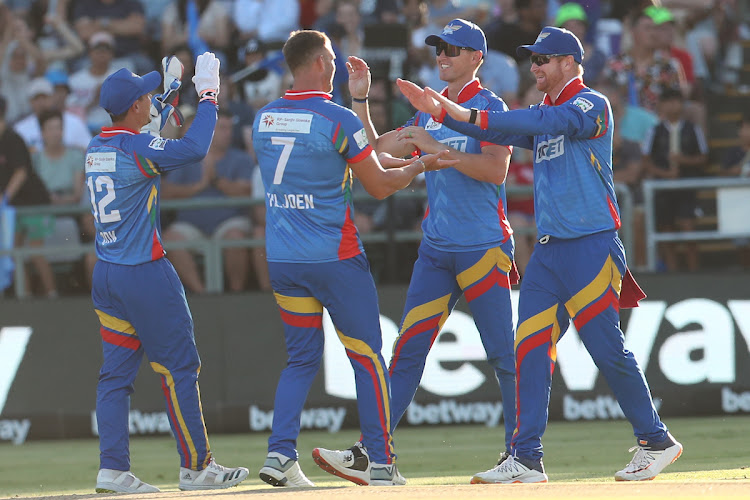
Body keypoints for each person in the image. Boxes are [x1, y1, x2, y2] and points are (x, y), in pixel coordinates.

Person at [396, 26, 683, 483]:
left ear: (569, 62)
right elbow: (517, 126)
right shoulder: (544, 110)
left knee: (606, 349)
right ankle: (526, 457)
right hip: (550, 251)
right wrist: (445, 115)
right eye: (532, 61)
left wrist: (452, 111)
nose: (535, 68)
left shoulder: (591, 104)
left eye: (543, 60)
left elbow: (538, 125)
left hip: (590, 243)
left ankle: (656, 440)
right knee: (528, 348)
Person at [312, 18, 519, 484]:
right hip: (438, 250)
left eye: (452, 49)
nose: (442, 56)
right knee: (407, 351)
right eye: (439, 49)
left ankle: (523, 456)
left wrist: (434, 147)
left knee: (504, 356)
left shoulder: (489, 107)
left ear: (475, 58)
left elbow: (495, 171)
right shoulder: (429, 110)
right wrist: (361, 99)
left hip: (483, 247)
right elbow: (378, 153)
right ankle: (375, 456)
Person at [252, 29, 455, 488]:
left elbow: (349, 156)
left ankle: (280, 456)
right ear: (322, 63)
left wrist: (359, 103)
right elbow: (379, 184)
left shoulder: (264, 118)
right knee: (366, 356)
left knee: (300, 361)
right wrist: (421, 165)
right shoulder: (335, 119)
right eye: (332, 56)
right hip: (335, 258)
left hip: (283, 258)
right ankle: (380, 461)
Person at [86, 53, 249, 493]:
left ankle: (112, 469)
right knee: (180, 368)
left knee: (115, 377)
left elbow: (149, 134)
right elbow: (191, 148)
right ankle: (197, 467)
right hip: (145, 273)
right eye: (146, 94)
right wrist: (209, 95)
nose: (149, 98)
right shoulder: (136, 147)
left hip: (108, 273)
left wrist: (171, 95)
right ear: (136, 105)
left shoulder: (98, 145)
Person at [161, 109, 254, 293]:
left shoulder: (241, 159)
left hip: (229, 223)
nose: (228, 133)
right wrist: (198, 186)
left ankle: (236, 294)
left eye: (229, 128)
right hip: (190, 225)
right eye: (222, 128)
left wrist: (216, 180)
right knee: (171, 239)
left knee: (235, 237)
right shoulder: (187, 158)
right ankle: (202, 293)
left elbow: (246, 192)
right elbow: (167, 192)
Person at [641, 87, 708, 272]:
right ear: (661, 105)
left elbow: (703, 157)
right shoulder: (654, 131)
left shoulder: (693, 129)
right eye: (668, 101)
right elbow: (645, 162)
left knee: (689, 233)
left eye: (677, 101)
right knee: (666, 233)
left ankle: (695, 274)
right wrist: (665, 175)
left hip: (686, 188)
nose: (673, 106)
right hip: (663, 190)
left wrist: (683, 160)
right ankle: (673, 274)